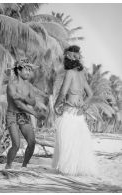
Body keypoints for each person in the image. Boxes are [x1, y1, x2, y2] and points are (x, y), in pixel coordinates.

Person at [52, 45, 97, 176]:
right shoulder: (81, 74)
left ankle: (66, 169)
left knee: (67, 142)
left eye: (65, 57)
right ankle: (75, 169)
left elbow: (63, 92)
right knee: (78, 142)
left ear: (68, 58)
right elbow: (90, 94)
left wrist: (55, 105)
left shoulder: (70, 73)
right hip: (79, 114)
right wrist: (84, 107)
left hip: (69, 112)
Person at [5, 58, 46, 169]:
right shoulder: (11, 85)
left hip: (23, 115)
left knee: (32, 143)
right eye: (26, 70)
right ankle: (8, 166)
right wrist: (35, 114)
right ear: (18, 71)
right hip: (12, 115)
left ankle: (24, 166)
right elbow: (18, 104)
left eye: (30, 70)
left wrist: (23, 96)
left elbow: (33, 102)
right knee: (16, 145)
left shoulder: (29, 87)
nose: (28, 72)